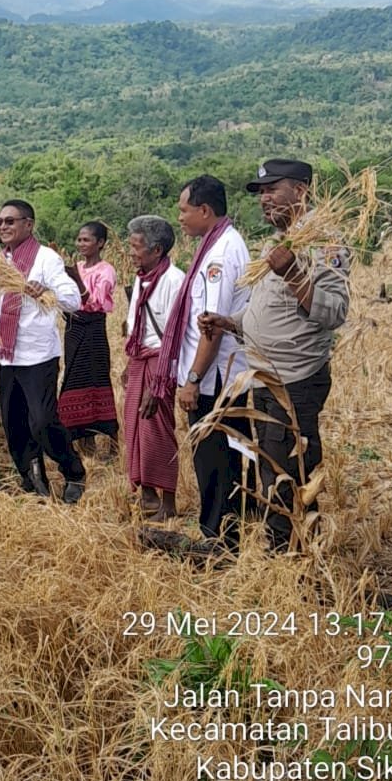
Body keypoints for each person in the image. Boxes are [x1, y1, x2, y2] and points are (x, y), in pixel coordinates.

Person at [199, 158, 350, 550]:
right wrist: (228, 322)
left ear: (300, 190)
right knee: (271, 467)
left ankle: (294, 554)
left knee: (290, 470)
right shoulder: (275, 243)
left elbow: (334, 313)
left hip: (294, 382)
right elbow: (265, 311)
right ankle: (281, 545)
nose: (264, 199)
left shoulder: (323, 243)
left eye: (271, 189)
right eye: (260, 193)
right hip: (264, 377)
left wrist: (294, 274)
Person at [149, 176, 250, 539]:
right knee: (225, 455)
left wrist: (193, 380)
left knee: (214, 459)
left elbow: (213, 326)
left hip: (214, 377)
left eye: (184, 210)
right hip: (221, 372)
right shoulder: (220, 242)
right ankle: (231, 528)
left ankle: (218, 536)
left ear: (205, 211)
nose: (180, 218)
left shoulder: (219, 256)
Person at [0, 199, 86, 502]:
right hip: (7, 355)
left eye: (10, 221)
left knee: (43, 421)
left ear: (29, 224)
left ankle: (73, 469)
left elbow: (73, 299)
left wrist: (46, 291)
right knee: (14, 424)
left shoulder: (46, 259)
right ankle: (34, 482)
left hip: (38, 356)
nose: (3, 227)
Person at [123, 215, 185, 520]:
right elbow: (136, 324)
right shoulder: (140, 276)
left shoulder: (175, 281)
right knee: (135, 430)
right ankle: (147, 496)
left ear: (156, 250)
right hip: (140, 360)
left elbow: (175, 337)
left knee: (159, 431)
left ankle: (169, 503)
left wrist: (157, 381)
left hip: (161, 364)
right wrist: (129, 365)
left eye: (136, 246)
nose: (131, 251)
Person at [58, 221, 119, 454]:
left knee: (97, 382)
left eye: (86, 240)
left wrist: (77, 280)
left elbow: (96, 303)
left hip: (92, 333)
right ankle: (86, 443)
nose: (80, 244)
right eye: (79, 239)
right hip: (74, 330)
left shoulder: (106, 271)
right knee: (74, 381)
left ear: (100, 243)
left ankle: (112, 442)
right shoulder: (79, 268)